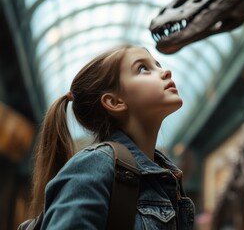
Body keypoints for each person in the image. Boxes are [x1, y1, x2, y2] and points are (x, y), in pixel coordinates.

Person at [29, 45, 194, 229]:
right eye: (143, 68)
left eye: (158, 65)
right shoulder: (94, 165)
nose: (166, 72)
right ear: (115, 102)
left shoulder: (167, 178)